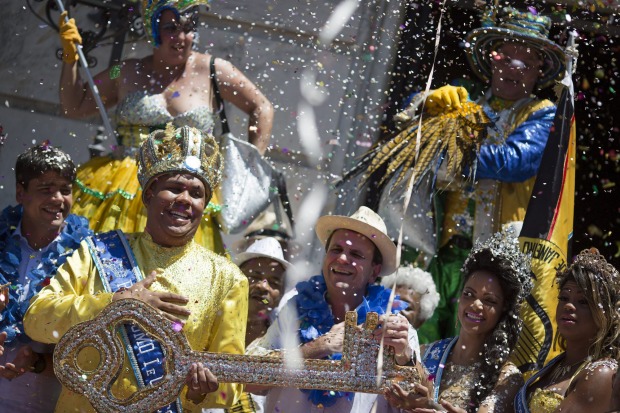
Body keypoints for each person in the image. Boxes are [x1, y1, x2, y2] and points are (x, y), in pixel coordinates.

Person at [23, 125, 248, 412]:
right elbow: (37, 320)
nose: (184, 200)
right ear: (149, 194)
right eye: (175, 188)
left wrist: (199, 392)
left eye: (196, 193)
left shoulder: (228, 280)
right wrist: (118, 303)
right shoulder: (99, 251)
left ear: (204, 206)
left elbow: (230, 389)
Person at [395, 6, 567, 341]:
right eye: (506, 58)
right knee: (421, 339)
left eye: (526, 63)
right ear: (492, 60)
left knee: (473, 347)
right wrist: (426, 106)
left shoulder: (542, 114)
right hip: (443, 253)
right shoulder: (464, 98)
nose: (513, 69)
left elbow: (514, 162)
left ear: (539, 72)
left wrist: (444, 154)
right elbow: (407, 134)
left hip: (496, 260)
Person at [57, 0, 274, 253]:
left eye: (188, 27)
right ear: (153, 29)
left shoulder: (215, 69)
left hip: (185, 193)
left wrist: (250, 166)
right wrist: (70, 59)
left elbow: (262, 107)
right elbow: (77, 105)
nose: (181, 37)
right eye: (170, 27)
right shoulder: (123, 70)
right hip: (122, 190)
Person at [251, 206, 420, 413]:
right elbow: (252, 381)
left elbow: (416, 404)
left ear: (374, 271)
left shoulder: (395, 330)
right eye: (336, 250)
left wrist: (404, 357)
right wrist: (318, 347)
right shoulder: (294, 309)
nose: (342, 259)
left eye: (356, 254)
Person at [385, 228, 533, 412]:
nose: (475, 305)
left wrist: (433, 407)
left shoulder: (506, 378)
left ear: (503, 309)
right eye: (469, 294)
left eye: (489, 300)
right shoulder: (426, 352)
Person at [0, 144, 93, 412]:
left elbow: (89, 341)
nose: (58, 199)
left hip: (45, 402)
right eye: (46, 189)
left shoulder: (88, 256)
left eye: (65, 190)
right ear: (20, 192)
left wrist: (37, 361)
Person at [514, 248, 620, 413]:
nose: (569, 306)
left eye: (583, 301)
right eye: (564, 298)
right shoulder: (556, 366)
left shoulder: (602, 373)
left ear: (604, 314)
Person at [205, 237, 292, 413]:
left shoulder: (286, 342)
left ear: (280, 294)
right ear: (236, 281)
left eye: (274, 283)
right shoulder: (206, 330)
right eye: (255, 277)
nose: (263, 287)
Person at [380, 265, 440, 344]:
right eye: (390, 303)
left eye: (407, 308)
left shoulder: (418, 354)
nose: (395, 312)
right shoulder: (363, 334)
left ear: (420, 322)